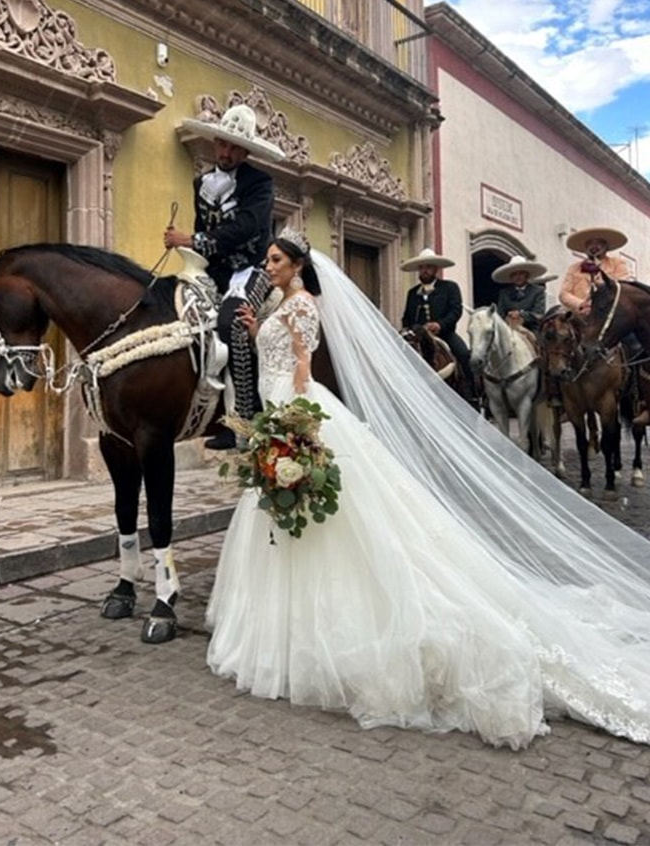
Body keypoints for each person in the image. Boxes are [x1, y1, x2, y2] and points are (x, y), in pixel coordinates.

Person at [206, 227, 650, 750]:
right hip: (277, 403)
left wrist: (297, 419)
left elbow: (302, 363)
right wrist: (260, 327)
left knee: (461, 350)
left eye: (276, 258)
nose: (270, 265)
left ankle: (630, 396)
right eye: (270, 257)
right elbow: (279, 350)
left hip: (294, 404)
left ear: (298, 265)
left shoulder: (307, 306)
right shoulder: (288, 304)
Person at [164, 104, 284, 450]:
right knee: (177, 311)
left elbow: (247, 226)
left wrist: (193, 239)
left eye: (234, 148)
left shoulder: (260, 184)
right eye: (222, 145)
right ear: (215, 143)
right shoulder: (200, 182)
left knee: (232, 322)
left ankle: (245, 421)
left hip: (251, 269)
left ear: (245, 151)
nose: (226, 152)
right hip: (213, 270)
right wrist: (188, 250)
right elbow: (203, 228)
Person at [400, 248, 477, 404]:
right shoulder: (412, 292)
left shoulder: (450, 287)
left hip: (445, 334)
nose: (424, 270)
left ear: (435, 269)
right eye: (421, 267)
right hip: (420, 337)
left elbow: (456, 310)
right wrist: (414, 330)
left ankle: (472, 396)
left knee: (463, 354)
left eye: (428, 267)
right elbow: (407, 317)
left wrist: (440, 325)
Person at [559, 227, 632, 316]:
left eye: (598, 243)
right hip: (580, 315)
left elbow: (622, 288)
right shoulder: (574, 268)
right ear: (585, 248)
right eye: (589, 243)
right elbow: (564, 293)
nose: (594, 246)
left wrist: (603, 286)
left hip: (609, 315)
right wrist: (581, 304)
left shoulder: (617, 264)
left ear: (605, 246)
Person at [493, 255, 547, 337]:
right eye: (514, 274)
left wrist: (521, 314)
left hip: (531, 330)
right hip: (508, 330)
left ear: (527, 275)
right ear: (511, 277)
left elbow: (538, 314)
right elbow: (500, 314)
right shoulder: (504, 293)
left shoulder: (538, 291)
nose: (518, 277)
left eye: (521, 273)